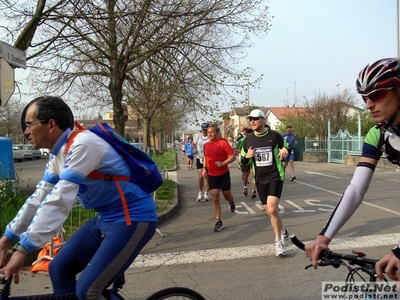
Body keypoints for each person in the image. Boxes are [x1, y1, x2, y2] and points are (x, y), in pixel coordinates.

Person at [0, 96, 157, 300]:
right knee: (58, 269)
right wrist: (9, 236)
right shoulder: (58, 154)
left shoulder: (83, 144)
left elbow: (59, 199)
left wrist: (23, 248)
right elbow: (39, 197)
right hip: (106, 217)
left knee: (88, 291)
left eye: (29, 124)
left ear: (51, 124)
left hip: (133, 218)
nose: (26, 131)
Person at [305, 57, 400, 281]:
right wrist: (323, 238)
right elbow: (356, 189)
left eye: (376, 94)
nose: (368, 104)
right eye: (365, 97)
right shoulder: (378, 135)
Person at [240, 109, 291, 256]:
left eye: (255, 119)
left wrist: (285, 149)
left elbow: (287, 145)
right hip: (260, 179)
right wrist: (247, 156)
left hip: (275, 176)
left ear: (263, 120)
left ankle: (278, 242)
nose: (252, 121)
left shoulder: (274, 136)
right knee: (269, 211)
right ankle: (283, 232)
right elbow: (243, 161)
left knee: (273, 209)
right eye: (251, 119)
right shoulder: (248, 140)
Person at [202, 124, 236, 232]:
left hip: (224, 174)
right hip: (212, 174)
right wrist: (204, 168)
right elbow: (206, 157)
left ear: (216, 133)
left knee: (227, 195)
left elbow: (233, 156)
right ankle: (218, 221)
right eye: (208, 133)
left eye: (212, 132)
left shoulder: (223, 142)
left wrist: (223, 163)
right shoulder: (206, 145)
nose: (210, 134)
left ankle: (231, 202)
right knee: (215, 197)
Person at [236, 127, 257, 198]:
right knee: (246, 175)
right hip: (245, 159)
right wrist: (243, 153)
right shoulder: (242, 140)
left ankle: (254, 191)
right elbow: (237, 149)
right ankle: (245, 187)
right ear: (246, 134)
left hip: (253, 160)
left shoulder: (255, 140)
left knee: (253, 175)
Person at [193, 123, 210, 202]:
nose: (204, 131)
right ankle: (200, 192)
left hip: (209, 160)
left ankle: (206, 193)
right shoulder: (198, 136)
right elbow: (193, 143)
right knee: (200, 176)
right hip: (200, 158)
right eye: (203, 129)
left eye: (205, 129)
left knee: (208, 178)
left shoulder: (210, 136)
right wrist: (194, 149)